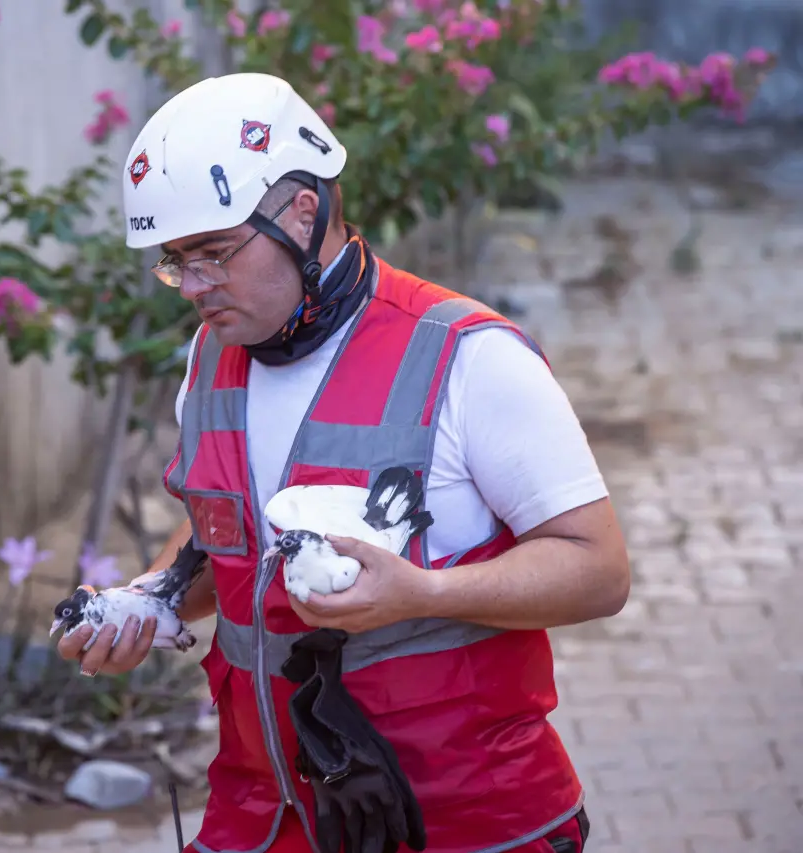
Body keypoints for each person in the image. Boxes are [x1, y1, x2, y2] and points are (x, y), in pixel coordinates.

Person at [54, 72, 630, 853]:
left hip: (462, 820)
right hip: (267, 816)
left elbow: (598, 571)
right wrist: (149, 601)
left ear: (302, 209)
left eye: (215, 253)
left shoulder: (468, 355)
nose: (193, 287)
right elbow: (220, 539)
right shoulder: (211, 359)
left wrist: (423, 592)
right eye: (176, 260)